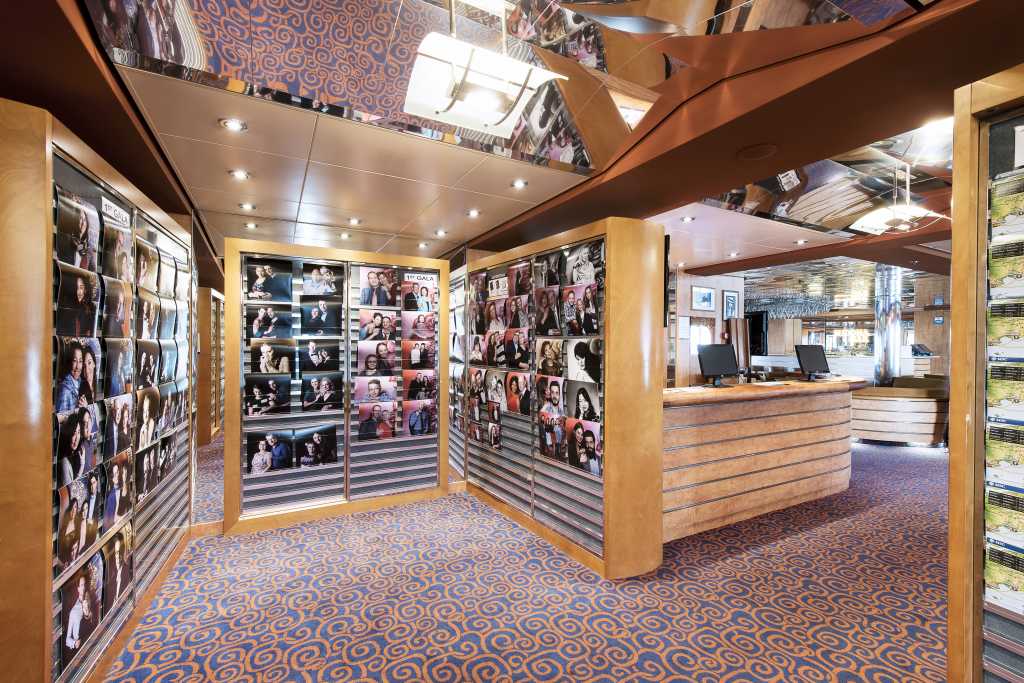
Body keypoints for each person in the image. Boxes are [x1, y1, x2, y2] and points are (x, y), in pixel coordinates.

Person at [65, 575, 93, 656]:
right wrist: (75, 643)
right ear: (78, 589)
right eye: (81, 585)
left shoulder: (90, 599)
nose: (83, 587)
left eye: (84, 584)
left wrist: (87, 612)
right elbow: (67, 639)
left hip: (92, 640)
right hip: (81, 649)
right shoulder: (73, 611)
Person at [57, 341, 85, 412]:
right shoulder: (65, 391)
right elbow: (62, 417)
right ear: (69, 362)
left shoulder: (80, 383)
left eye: (80, 361)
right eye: (74, 361)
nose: (78, 367)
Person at [104, 462, 124, 528]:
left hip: (113, 519)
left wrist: (116, 517)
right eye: (113, 474)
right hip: (108, 517)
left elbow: (118, 504)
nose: (116, 476)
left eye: (117, 472)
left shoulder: (119, 487)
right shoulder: (109, 487)